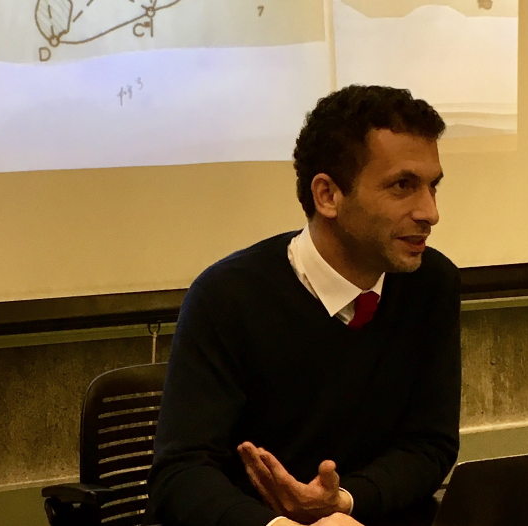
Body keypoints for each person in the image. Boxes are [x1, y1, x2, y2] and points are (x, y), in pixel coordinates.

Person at [147, 85, 462, 526]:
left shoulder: (431, 283)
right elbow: (180, 474)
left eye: (433, 187)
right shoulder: (227, 297)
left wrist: (344, 502)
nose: (430, 212)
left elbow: (429, 444)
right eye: (402, 186)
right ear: (328, 195)